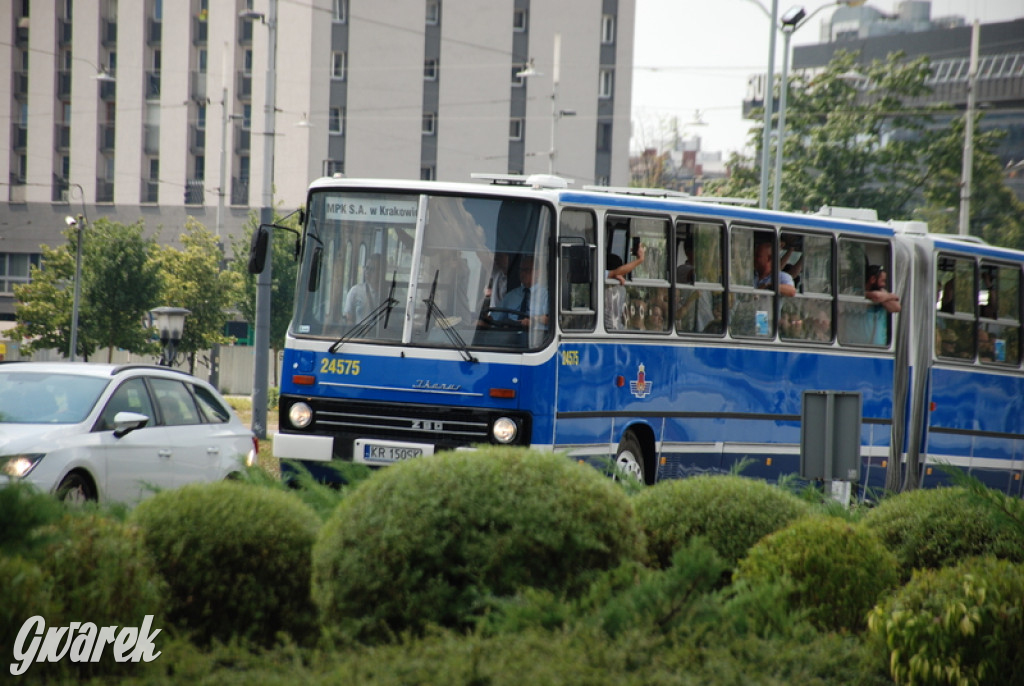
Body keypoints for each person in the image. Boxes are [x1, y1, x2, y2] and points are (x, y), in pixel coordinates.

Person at [493, 256, 548, 329]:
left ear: (538, 272)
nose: (523, 273)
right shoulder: (511, 296)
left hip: (538, 337)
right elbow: (496, 318)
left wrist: (533, 320)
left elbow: (550, 319)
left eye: (527, 270)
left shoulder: (546, 295)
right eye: (521, 270)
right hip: (511, 335)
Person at [605, 243, 646, 330]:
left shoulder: (618, 288)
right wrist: (640, 260)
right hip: (616, 329)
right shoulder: (619, 288)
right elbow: (614, 272)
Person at [864, 264, 901, 345]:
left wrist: (885, 297)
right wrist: (892, 296)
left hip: (879, 347)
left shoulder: (883, 294)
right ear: (873, 279)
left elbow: (897, 308)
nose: (884, 285)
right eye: (882, 281)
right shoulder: (858, 292)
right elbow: (876, 296)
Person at [343, 253, 383, 324]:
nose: (368, 272)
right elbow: (348, 318)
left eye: (372, 269)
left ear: (381, 272)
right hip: (360, 334)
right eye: (366, 268)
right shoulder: (355, 291)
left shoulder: (390, 293)